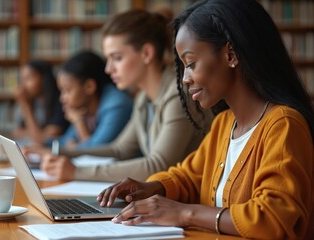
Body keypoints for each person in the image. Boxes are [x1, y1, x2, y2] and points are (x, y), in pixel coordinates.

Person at [96, 1, 314, 239]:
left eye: (190, 64)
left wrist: (185, 213)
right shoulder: (224, 124)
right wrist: (151, 187)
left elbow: (272, 218)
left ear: (231, 55)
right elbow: (189, 176)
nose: (185, 79)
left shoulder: (283, 125)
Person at [37, 9, 215, 182]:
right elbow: (120, 150)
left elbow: (158, 165)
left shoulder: (179, 94)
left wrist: (76, 171)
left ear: (146, 53)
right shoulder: (143, 98)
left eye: (117, 58)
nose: (108, 69)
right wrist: (61, 152)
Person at [57, 51, 133, 149]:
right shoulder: (83, 107)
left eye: (67, 90)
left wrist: (79, 122)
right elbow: (65, 142)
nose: (62, 98)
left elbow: (96, 150)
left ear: (89, 87)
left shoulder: (117, 105)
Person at [14, 60, 69, 145]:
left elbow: (40, 139)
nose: (23, 85)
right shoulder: (32, 101)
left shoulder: (61, 102)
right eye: (22, 80)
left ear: (44, 78)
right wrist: (38, 133)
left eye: (28, 78)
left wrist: (25, 105)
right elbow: (17, 132)